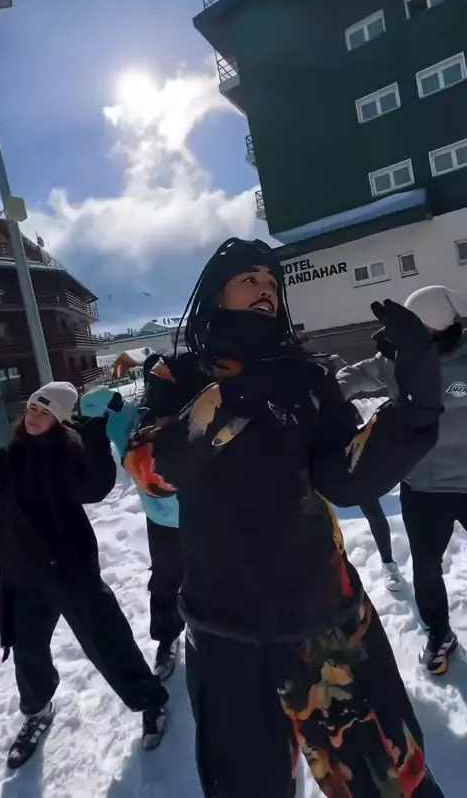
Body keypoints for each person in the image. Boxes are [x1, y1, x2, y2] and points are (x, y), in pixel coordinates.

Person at [123, 238, 444, 798]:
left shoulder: (306, 378)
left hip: (327, 623)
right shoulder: (178, 376)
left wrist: (412, 412)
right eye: (250, 279)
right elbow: (151, 471)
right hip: (224, 635)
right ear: (216, 294)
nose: (266, 290)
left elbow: (345, 477)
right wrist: (230, 398)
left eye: (272, 283)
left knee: (392, 786)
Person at [0, 382, 169, 770]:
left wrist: (95, 437)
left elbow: (96, 487)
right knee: (28, 651)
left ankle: (149, 701)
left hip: (68, 568)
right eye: (33, 408)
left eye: (46, 413)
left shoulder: (67, 452)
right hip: (23, 574)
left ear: (59, 421)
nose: (35, 417)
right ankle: (37, 711)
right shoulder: (13, 452)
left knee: (106, 640)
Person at [338, 285, 467, 674]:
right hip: (422, 488)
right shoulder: (395, 360)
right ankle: (439, 633)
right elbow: (351, 378)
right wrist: (322, 394)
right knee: (426, 569)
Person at [80, 385, 184, 679]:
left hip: (205, 517)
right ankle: (167, 637)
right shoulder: (130, 419)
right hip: (164, 522)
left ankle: (214, 637)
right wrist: (110, 399)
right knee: (165, 582)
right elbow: (88, 405)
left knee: (212, 579)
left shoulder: (204, 415)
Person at [301, 336, 401, 590]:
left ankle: (389, 562)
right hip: (312, 455)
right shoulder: (287, 376)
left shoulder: (329, 365)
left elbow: (350, 381)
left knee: (372, 508)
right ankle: (329, 570)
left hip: (348, 448)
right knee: (315, 517)